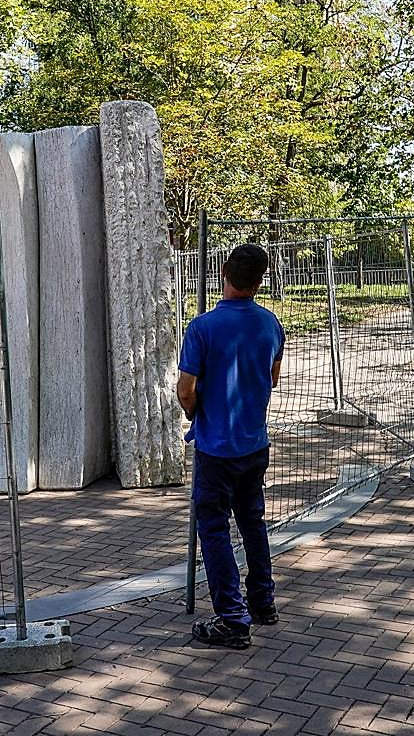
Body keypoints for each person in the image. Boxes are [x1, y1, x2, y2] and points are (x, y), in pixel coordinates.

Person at [177, 243, 285, 650]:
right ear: (260, 281)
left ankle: (232, 618)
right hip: (254, 442)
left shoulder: (202, 328)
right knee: (253, 523)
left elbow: (186, 389)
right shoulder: (271, 324)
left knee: (215, 530)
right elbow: (272, 378)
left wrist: (195, 411)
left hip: (216, 445)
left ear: (223, 272)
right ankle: (263, 602)